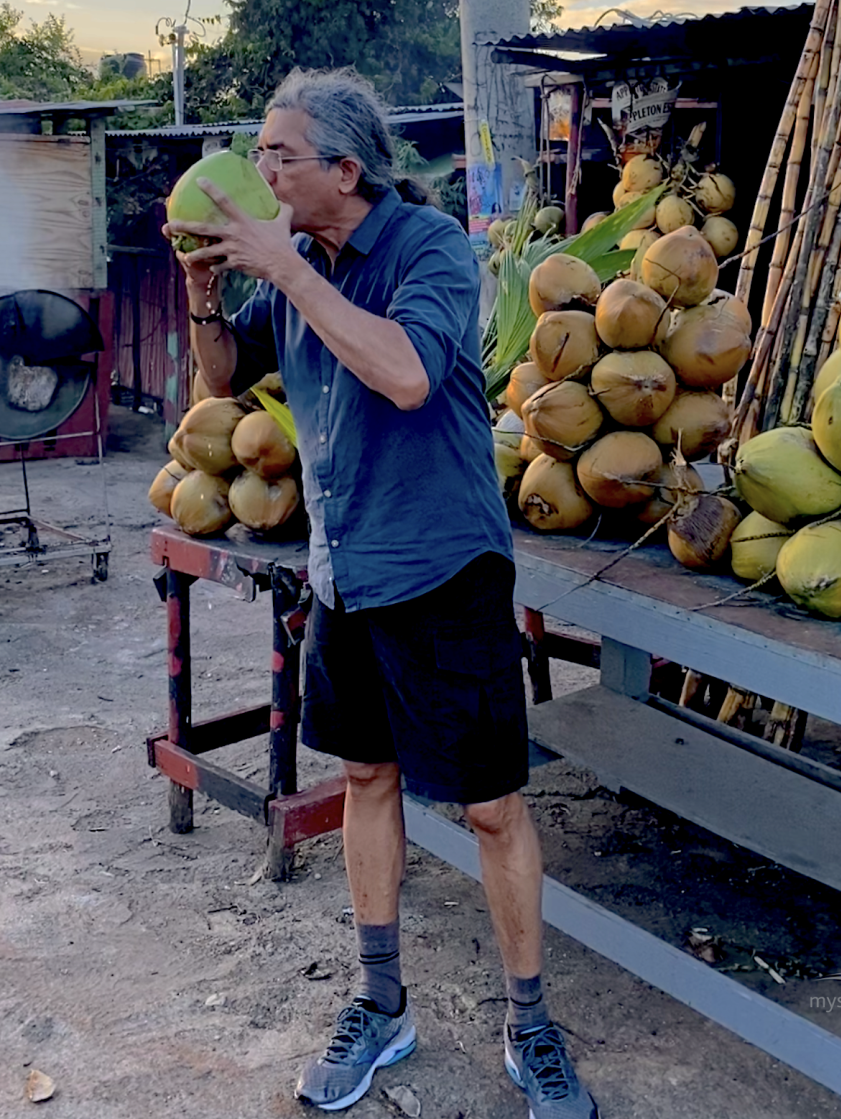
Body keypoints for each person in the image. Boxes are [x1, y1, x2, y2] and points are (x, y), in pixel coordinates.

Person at [166, 67, 599, 1119]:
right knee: (366, 775)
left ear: (346, 170)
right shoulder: (294, 265)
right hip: (347, 572)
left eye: (281, 156)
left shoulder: (429, 250)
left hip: (444, 572)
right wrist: (208, 293)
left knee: (491, 807)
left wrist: (285, 266)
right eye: (256, 152)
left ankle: (528, 1020)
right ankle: (380, 999)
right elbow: (224, 382)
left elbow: (405, 372)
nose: (259, 170)